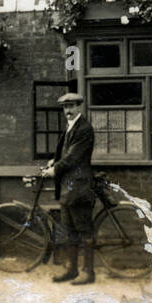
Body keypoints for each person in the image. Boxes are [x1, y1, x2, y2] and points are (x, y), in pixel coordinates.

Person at [41, 92, 95, 285]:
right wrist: (53, 161)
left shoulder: (84, 129)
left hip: (79, 187)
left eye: (72, 106)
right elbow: (65, 153)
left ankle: (88, 272)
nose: (68, 111)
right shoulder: (71, 127)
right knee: (69, 231)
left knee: (84, 231)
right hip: (68, 189)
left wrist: (54, 169)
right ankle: (71, 269)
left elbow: (73, 157)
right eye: (65, 107)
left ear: (79, 107)